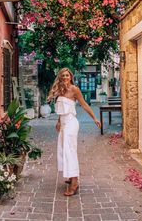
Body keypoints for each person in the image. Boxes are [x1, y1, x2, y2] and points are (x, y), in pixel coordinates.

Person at [47, 68, 101, 196]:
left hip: (71, 123)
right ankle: (71, 177)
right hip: (64, 123)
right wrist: (59, 121)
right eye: (63, 75)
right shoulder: (60, 90)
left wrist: (95, 118)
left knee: (69, 150)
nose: (65, 77)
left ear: (71, 77)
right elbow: (61, 109)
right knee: (62, 149)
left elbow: (84, 105)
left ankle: (75, 182)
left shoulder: (74, 89)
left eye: (67, 75)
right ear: (60, 77)